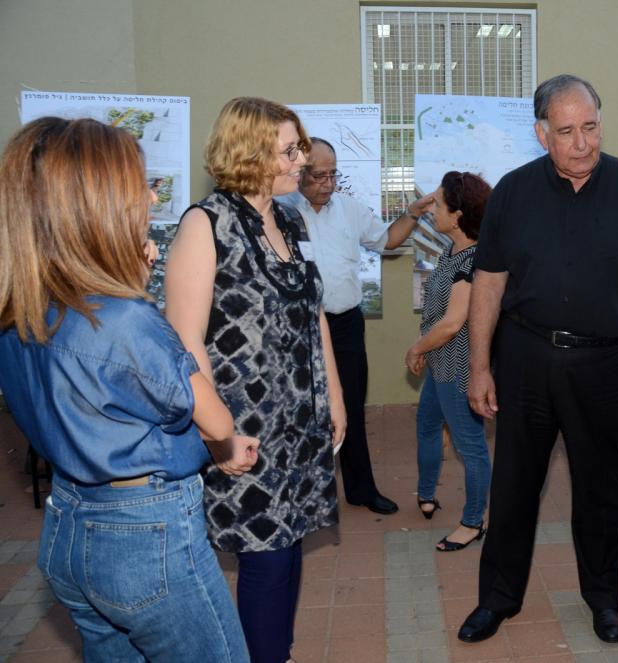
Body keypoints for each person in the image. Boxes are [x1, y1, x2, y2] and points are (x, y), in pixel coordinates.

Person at [0, 117, 255, 662]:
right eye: (142, 184)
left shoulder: (19, 309)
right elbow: (217, 422)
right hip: (144, 536)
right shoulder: (123, 318)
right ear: (101, 205)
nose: (151, 196)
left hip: (68, 523)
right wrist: (139, 299)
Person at [458, 74, 618, 644]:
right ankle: (497, 598)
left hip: (607, 365)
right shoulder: (513, 193)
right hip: (526, 359)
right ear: (542, 134)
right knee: (515, 485)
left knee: (601, 489)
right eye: (566, 132)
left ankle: (604, 600)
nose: (582, 143)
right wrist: (480, 366)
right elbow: (488, 283)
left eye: (590, 127)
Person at [165, 98, 346, 663]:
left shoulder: (289, 220)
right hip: (243, 426)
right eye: (290, 151)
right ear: (249, 155)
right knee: (265, 557)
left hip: (300, 421)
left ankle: (278, 653)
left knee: (289, 548)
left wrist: (335, 397)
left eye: (300, 147)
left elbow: (314, 314)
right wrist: (217, 434)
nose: (302, 160)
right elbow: (185, 340)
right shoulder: (205, 224)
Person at [280, 137, 432, 515]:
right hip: (298, 326)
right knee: (299, 408)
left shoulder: (349, 209)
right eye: (319, 176)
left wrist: (412, 213)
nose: (328, 183)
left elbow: (388, 240)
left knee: (349, 404)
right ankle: (303, 494)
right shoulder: (281, 212)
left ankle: (361, 489)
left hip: (345, 324)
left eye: (333, 174)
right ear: (300, 173)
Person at [404, 171, 493, 551]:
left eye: (438, 205)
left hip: (459, 369)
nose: (432, 211)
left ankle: (472, 522)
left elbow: (453, 323)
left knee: (471, 447)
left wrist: (416, 348)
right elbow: (437, 313)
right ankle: (426, 494)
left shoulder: (473, 261)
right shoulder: (451, 250)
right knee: (427, 426)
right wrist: (426, 345)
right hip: (440, 364)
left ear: (457, 216)